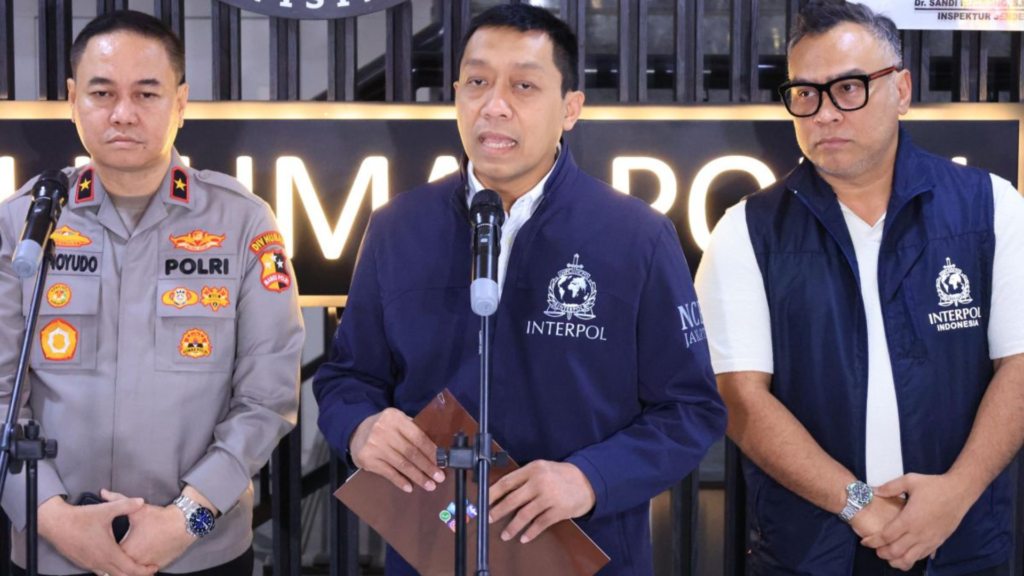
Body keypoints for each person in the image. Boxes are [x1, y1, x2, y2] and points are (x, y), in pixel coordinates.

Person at [313, 4, 726, 575]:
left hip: (584, 551)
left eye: (524, 86)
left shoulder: (637, 236)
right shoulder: (396, 227)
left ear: (571, 108)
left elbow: (690, 410)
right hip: (432, 551)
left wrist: (589, 479)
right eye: (477, 83)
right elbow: (347, 378)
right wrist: (359, 428)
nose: (494, 105)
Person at [695, 2, 1024, 575]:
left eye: (848, 88)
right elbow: (740, 398)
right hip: (808, 551)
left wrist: (956, 493)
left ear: (902, 89)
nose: (824, 113)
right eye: (805, 93)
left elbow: (1019, 364)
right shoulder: (747, 229)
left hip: (962, 542)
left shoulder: (991, 206)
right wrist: (859, 506)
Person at [0, 10, 304, 576]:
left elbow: (267, 397)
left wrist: (187, 520)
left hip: (200, 550)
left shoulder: (243, 222)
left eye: (146, 93)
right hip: (52, 551)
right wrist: (51, 518)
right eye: (102, 93)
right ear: (72, 100)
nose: (123, 113)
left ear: (180, 102)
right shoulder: (23, 223)